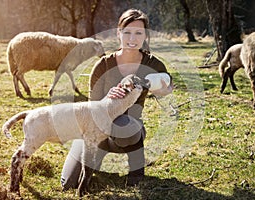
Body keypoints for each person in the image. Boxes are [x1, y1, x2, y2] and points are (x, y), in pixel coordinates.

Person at [61, 8, 173, 190]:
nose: (132, 39)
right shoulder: (103, 65)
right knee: (69, 183)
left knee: (123, 122)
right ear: (118, 33)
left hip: (129, 131)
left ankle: (136, 168)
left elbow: (168, 85)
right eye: (127, 32)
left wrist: (163, 90)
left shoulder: (153, 64)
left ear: (145, 36)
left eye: (138, 33)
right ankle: (95, 160)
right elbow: (92, 110)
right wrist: (108, 97)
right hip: (96, 129)